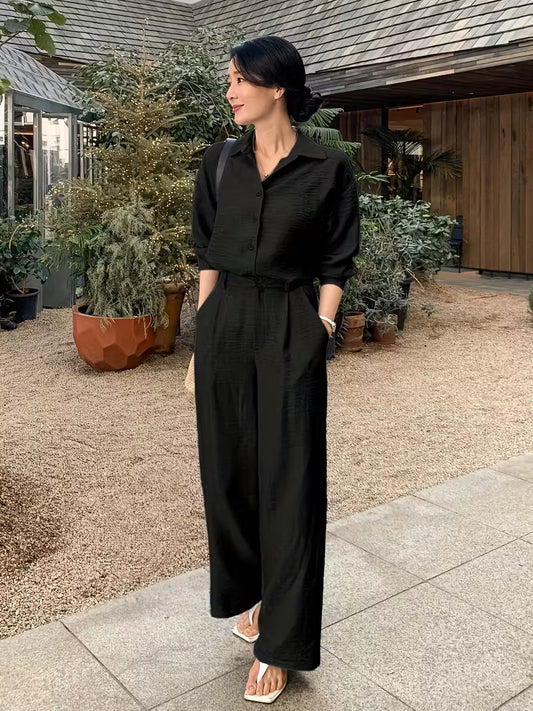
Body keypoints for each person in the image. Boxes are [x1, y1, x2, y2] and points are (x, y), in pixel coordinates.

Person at [192, 34, 359, 704]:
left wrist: (321, 326)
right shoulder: (218, 163)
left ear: (276, 86)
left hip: (290, 321)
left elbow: (336, 259)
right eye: (229, 79)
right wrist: (202, 340)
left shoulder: (328, 168)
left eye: (240, 79)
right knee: (228, 474)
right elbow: (207, 253)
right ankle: (257, 595)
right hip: (225, 321)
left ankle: (279, 645)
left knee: (291, 482)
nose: (230, 91)